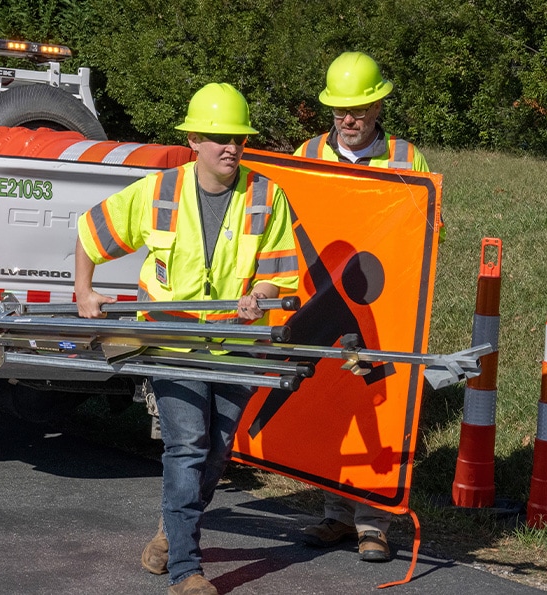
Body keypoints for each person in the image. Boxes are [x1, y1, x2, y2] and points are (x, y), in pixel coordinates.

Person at [75, 83, 299, 595]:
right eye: (219, 139)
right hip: (171, 342)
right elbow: (91, 232)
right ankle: (186, 571)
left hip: (235, 344)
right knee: (189, 445)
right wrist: (84, 290)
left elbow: (279, 273)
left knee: (217, 452)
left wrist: (258, 297)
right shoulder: (159, 192)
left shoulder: (267, 196)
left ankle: (169, 537)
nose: (231, 149)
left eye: (238, 140)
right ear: (194, 141)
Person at [294, 51, 430, 563]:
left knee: (379, 400)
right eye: (339, 111)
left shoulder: (405, 158)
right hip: (324, 299)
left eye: (359, 110)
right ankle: (335, 514)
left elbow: (421, 232)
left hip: (381, 302)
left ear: (378, 106)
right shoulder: (309, 152)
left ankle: (372, 523)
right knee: (332, 402)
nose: (348, 120)